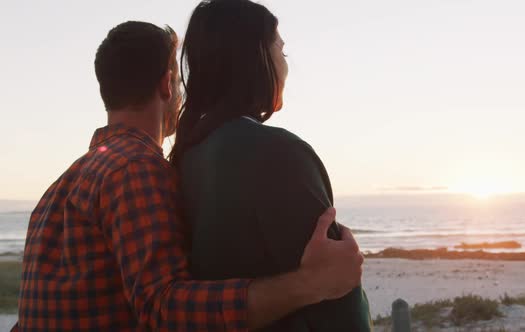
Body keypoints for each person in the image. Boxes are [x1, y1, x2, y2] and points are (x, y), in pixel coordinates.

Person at [15, 21, 364, 331]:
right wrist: (310, 283)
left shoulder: (59, 187)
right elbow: (164, 310)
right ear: (168, 86)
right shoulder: (135, 169)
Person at [169, 1, 372, 331]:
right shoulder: (278, 152)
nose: (285, 65)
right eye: (282, 50)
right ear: (259, 56)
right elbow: (337, 290)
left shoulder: (186, 156)